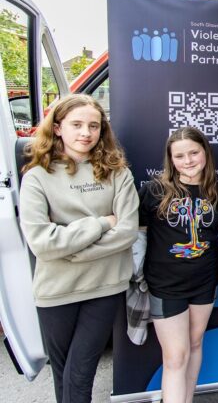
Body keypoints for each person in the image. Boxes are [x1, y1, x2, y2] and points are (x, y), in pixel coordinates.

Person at [19, 94, 139, 403]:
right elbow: (43, 243)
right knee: (63, 375)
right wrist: (99, 224)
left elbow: (126, 231)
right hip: (56, 291)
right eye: (76, 124)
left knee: (80, 372)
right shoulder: (36, 178)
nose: (86, 132)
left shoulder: (118, 173)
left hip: (104, 286)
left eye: (94, 126)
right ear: (58, 128)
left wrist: (70, 248)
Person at [138, 127, 218, 403]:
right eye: (179, 156)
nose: (187, 161)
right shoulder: (154, 191)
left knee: (195, 343)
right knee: (175, 357)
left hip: (205, 282)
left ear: (205, 153)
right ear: (170, 159)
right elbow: (138, 236)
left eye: (193, 153)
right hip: (166, 285)